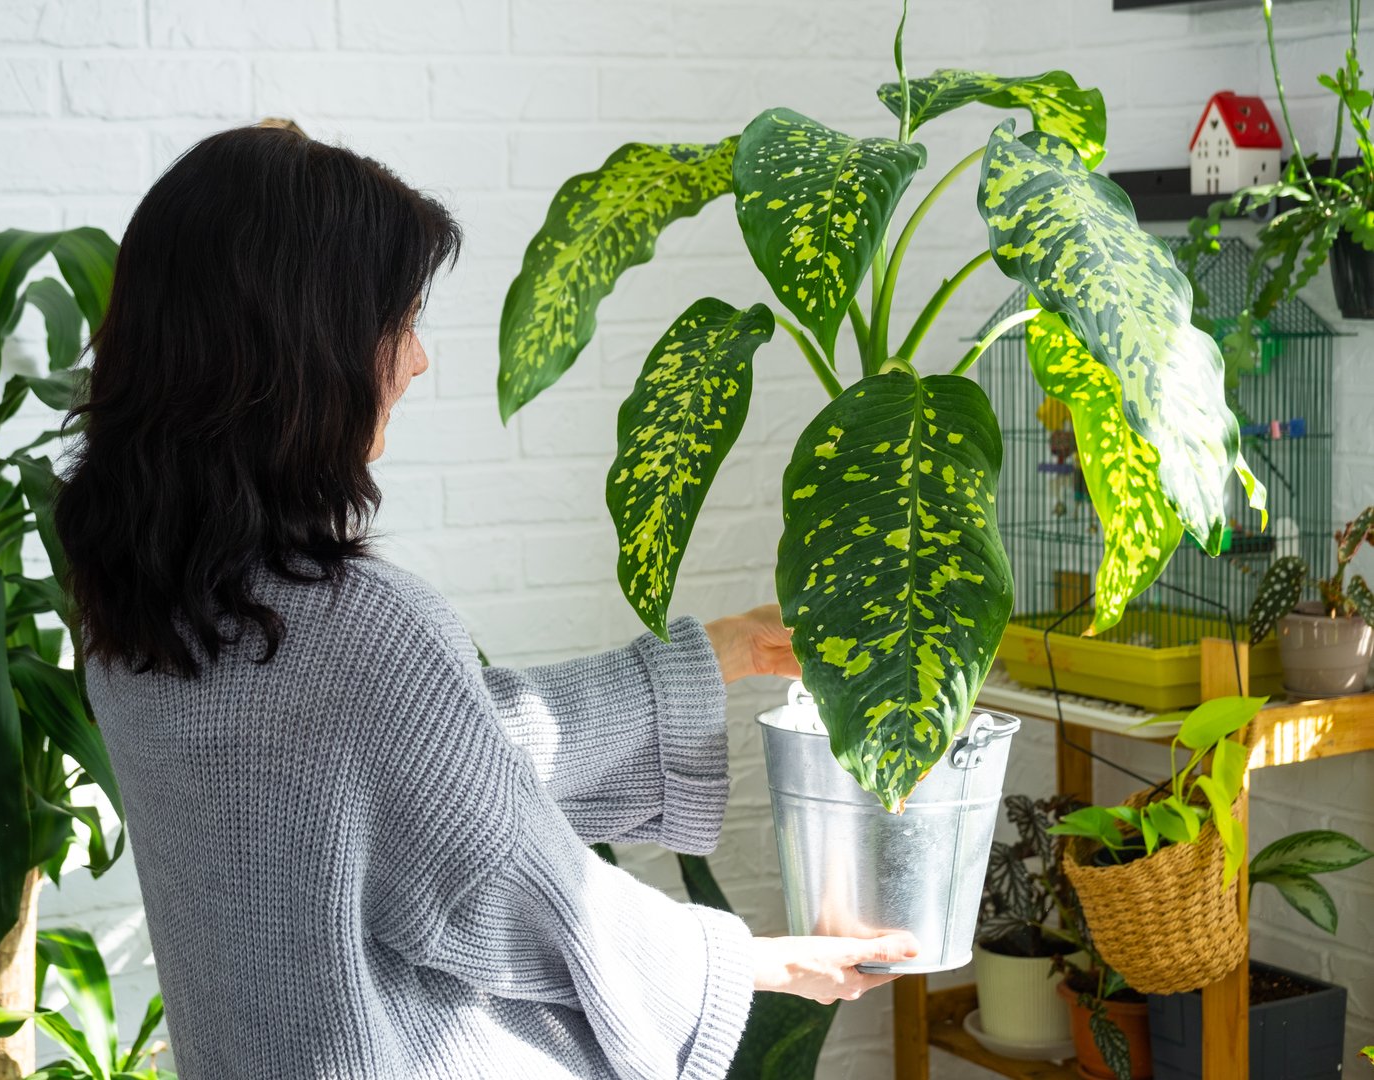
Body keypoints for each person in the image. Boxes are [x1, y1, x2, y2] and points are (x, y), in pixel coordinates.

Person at [52, 121, 917, 1080]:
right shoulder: (357, 630)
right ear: (311, 350)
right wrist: (750, 962)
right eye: (402, 323)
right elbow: (500, 869)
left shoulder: (138, 616)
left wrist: (714, 652)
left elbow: (439, 761)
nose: (416, 362)